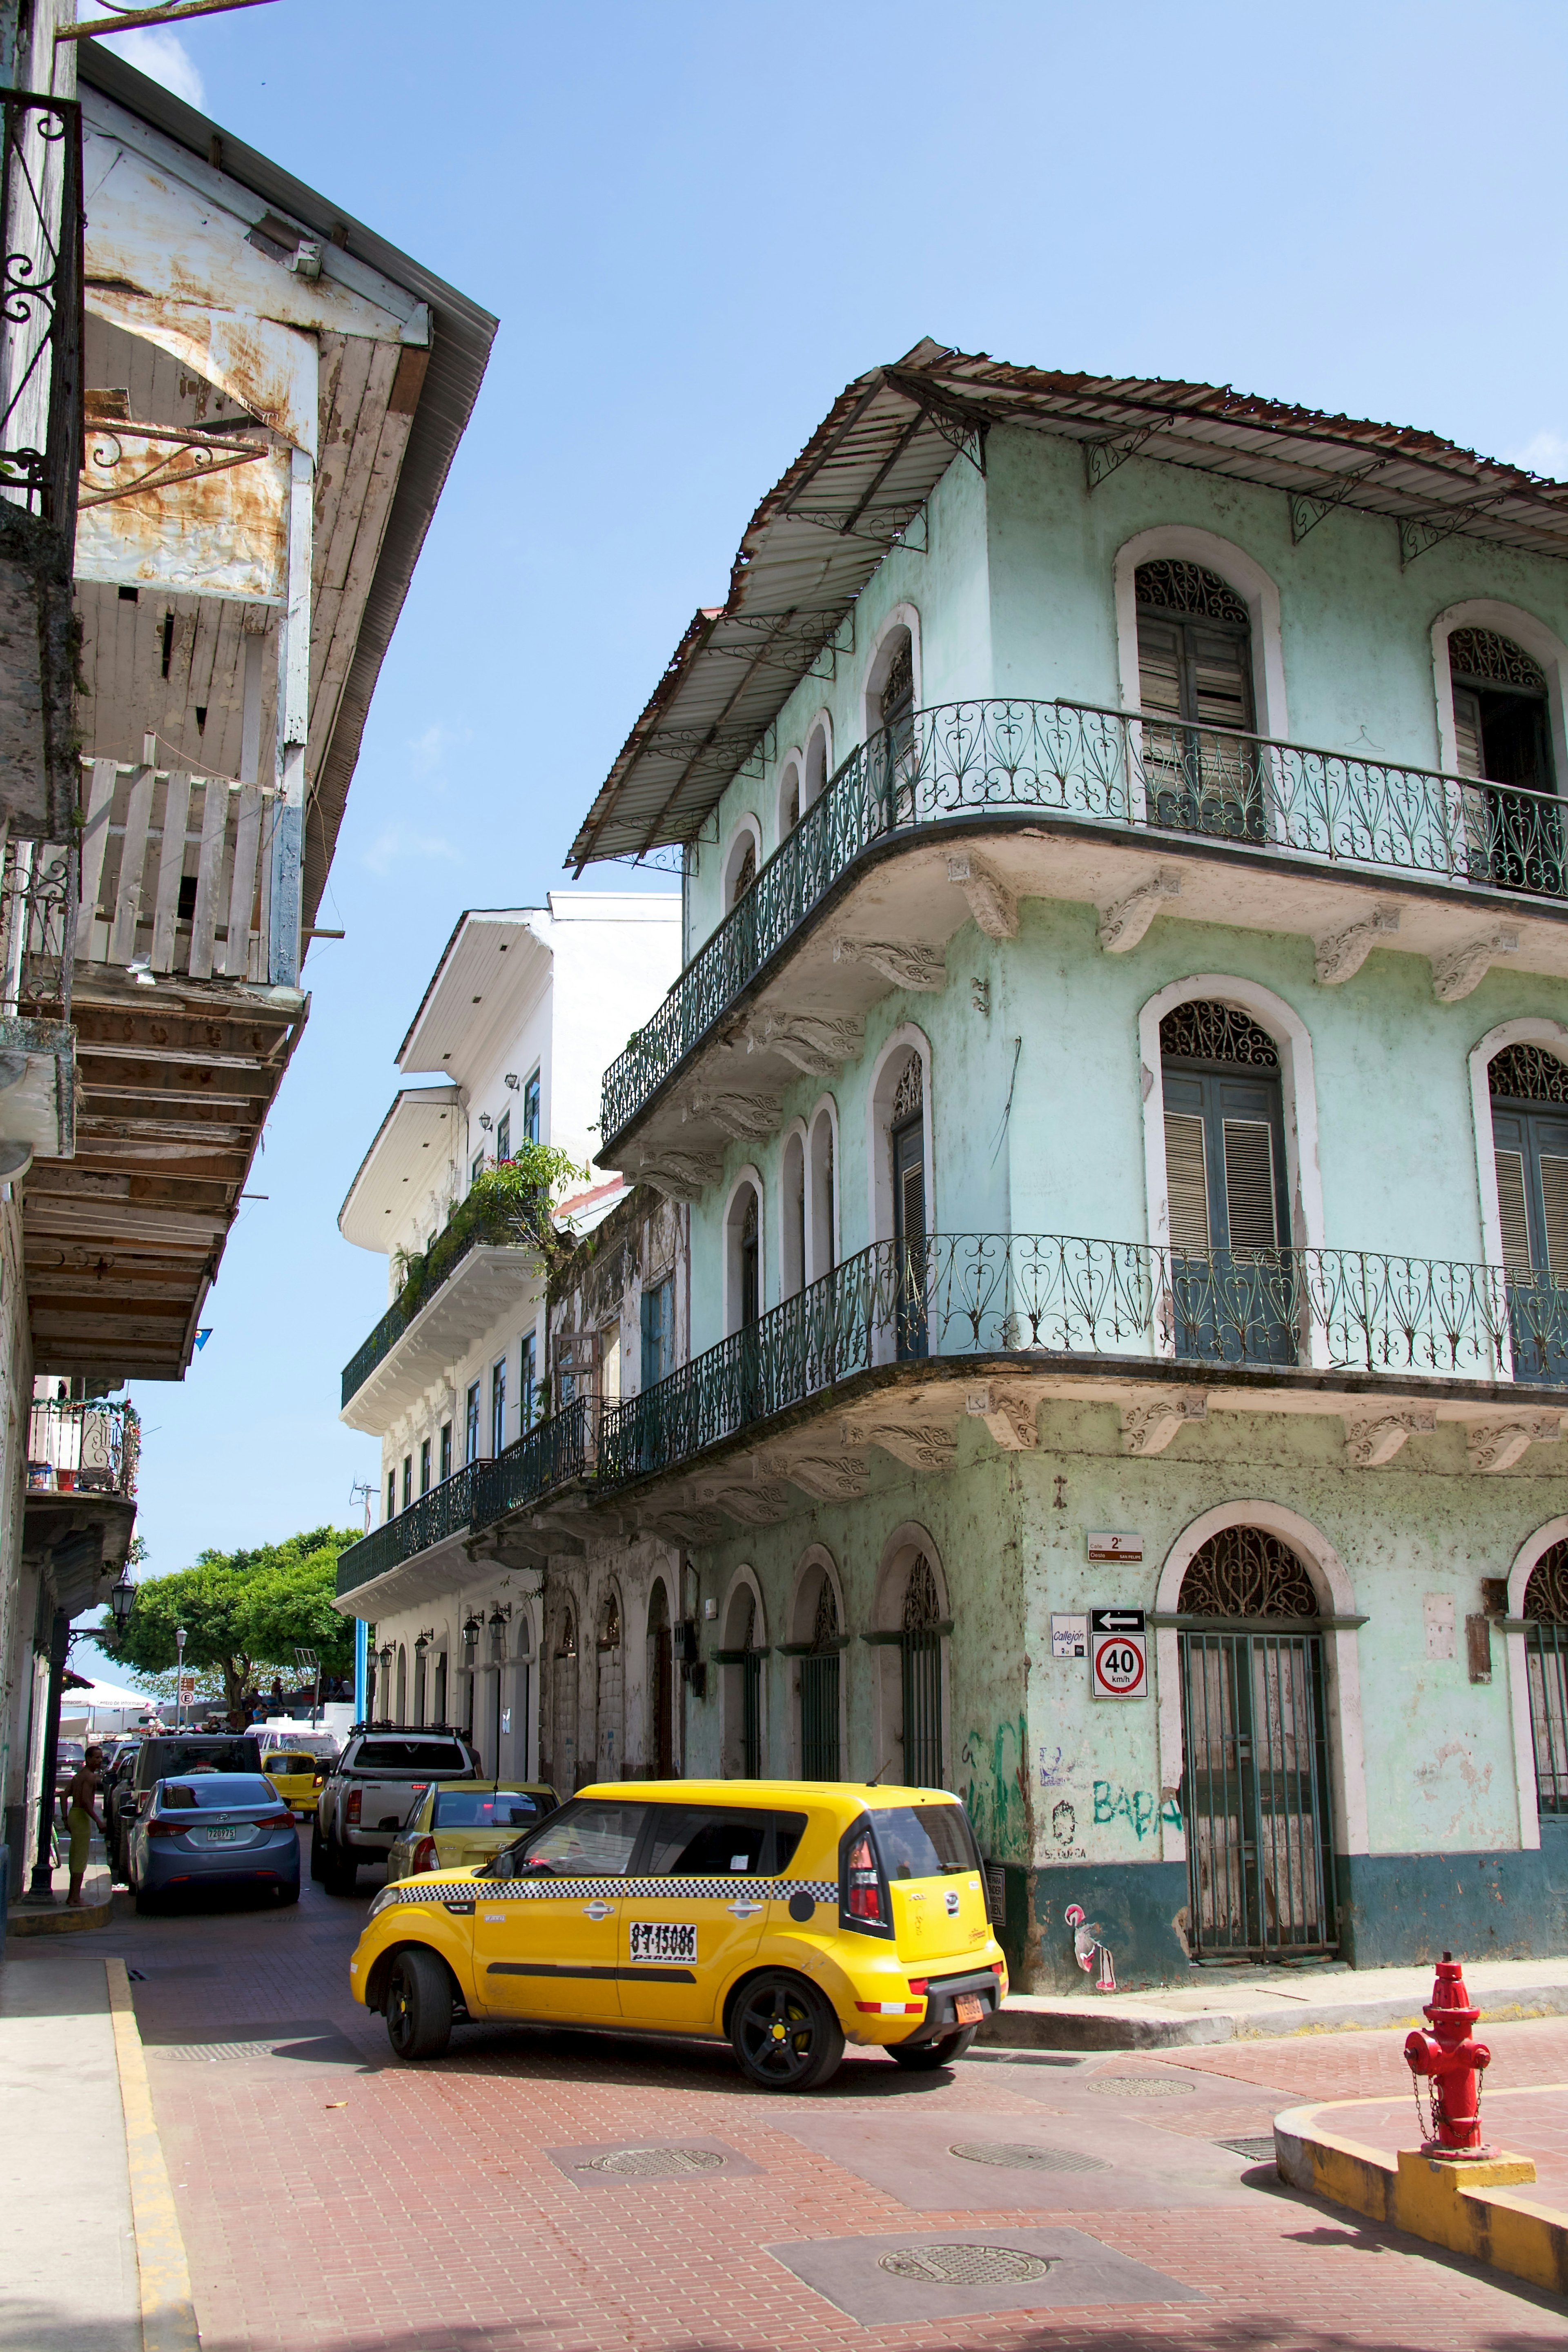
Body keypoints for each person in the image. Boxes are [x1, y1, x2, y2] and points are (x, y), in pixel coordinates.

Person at [63, 1746, 104, 1907]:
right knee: (81, 1858)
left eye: (101, 1758)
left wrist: (66, 1818)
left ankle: (71, 1896)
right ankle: (75, 1898)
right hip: (81, 1817)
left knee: (75, 1857)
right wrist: (98, 1821)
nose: (100, 1761)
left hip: (74, 1814)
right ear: (88, 1759)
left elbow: (64, 1795)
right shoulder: (89, 1777)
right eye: (96, 1758)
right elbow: (87, 1802)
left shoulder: (78, 1776)